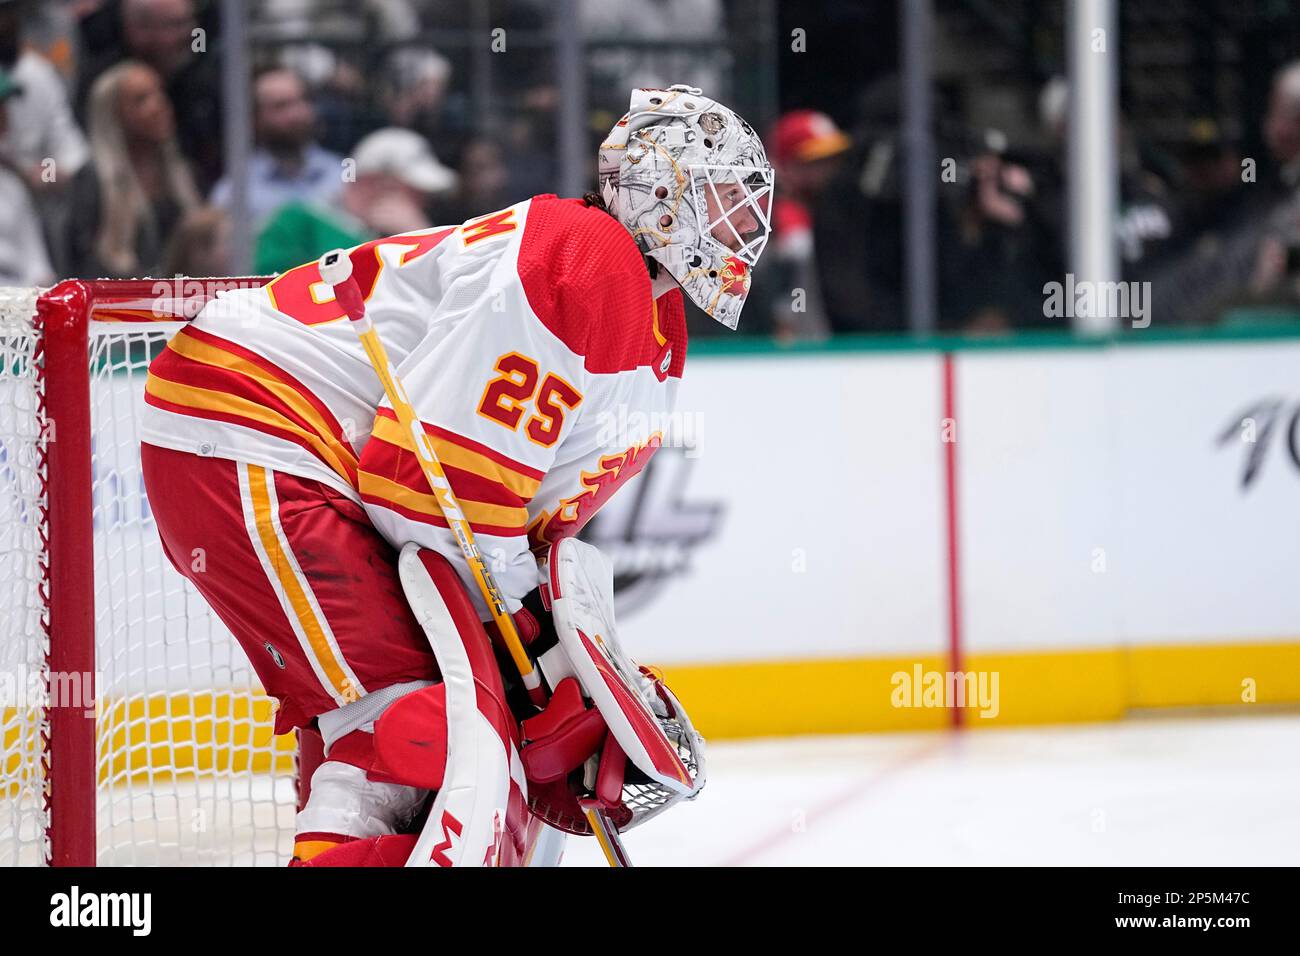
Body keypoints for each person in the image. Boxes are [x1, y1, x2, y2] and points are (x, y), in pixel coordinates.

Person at [138, 85, 772, 865]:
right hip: (257, 423)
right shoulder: (585, 256)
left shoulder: (652, 321)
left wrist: (552, 659)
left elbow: (502, 514)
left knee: (402, 737)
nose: (746, 227)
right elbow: (427, 489)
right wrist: (533, 659)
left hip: (294, 450)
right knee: (414, 733)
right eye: (724, 199)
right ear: (661, 191)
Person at [253, 126, 457, 275]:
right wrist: (417, 239)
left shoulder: (389, 234)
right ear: (377, 184)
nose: (424, 202)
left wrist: (418, 235)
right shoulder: (299, 220)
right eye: (415, 191)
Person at [66, 60, 201, 278]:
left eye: (160, 93)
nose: (159, 105)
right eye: (141, 100)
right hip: (116, 299)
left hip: (183, 298)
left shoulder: (183, 173)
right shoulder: (92, 180)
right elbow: (80, 260)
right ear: (113, 115)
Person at [209, 67, 343, 228]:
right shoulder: (234, 192)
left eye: (303, 100)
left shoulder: (342, 175)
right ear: (255, 119)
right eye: (281, 106)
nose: (297, 114)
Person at [0, 66, 55, 285]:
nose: (4, 116)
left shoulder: (12, 184)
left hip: (17, 302)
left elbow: (39, 270)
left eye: (4, 107)